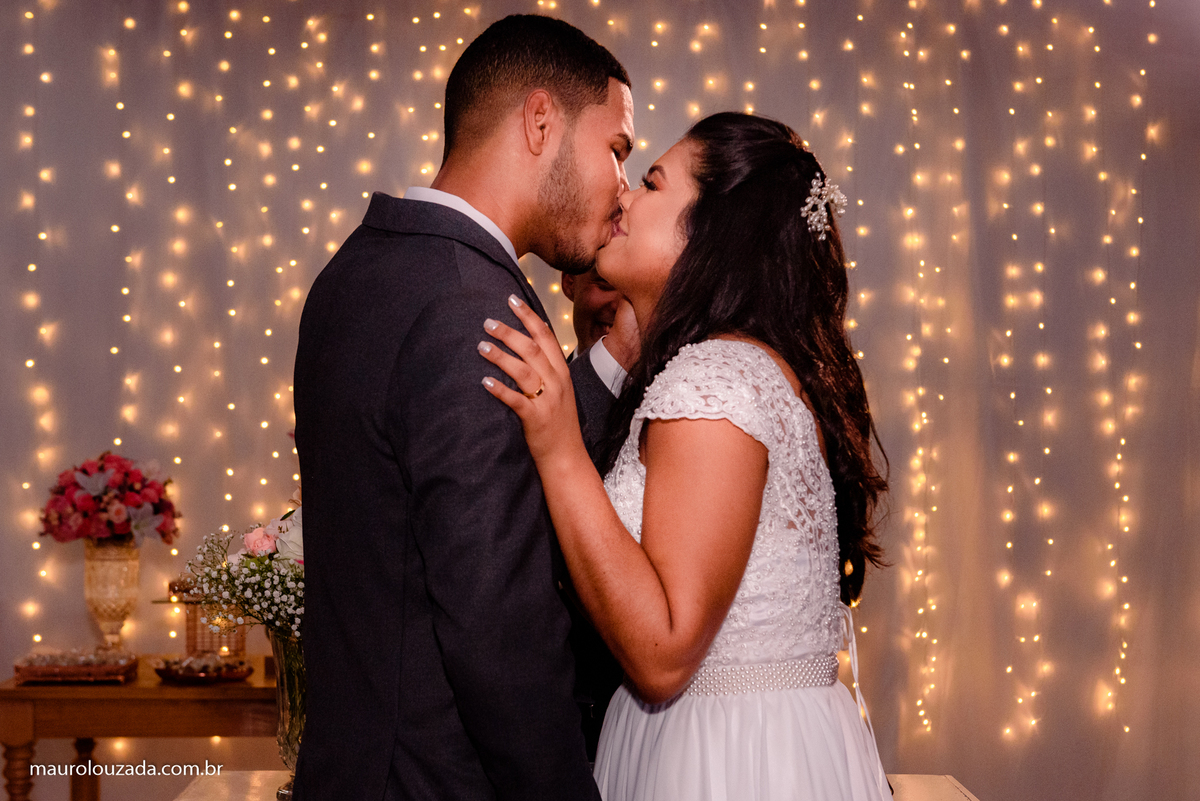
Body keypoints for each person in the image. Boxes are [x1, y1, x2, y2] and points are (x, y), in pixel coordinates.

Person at [479, 112, 892, 800]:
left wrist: (559, 448)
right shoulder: (738, 364)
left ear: (708, 233)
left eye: (652, 183)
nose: (625, 197)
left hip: (724, 761)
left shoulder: (714, 382)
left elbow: (664, 653)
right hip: (748, 739)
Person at [291, 15, 634, 799]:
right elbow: (498, 628)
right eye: (616, 147)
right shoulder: (467, 303)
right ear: (540, 121)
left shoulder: (356, 270)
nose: (622, 182)